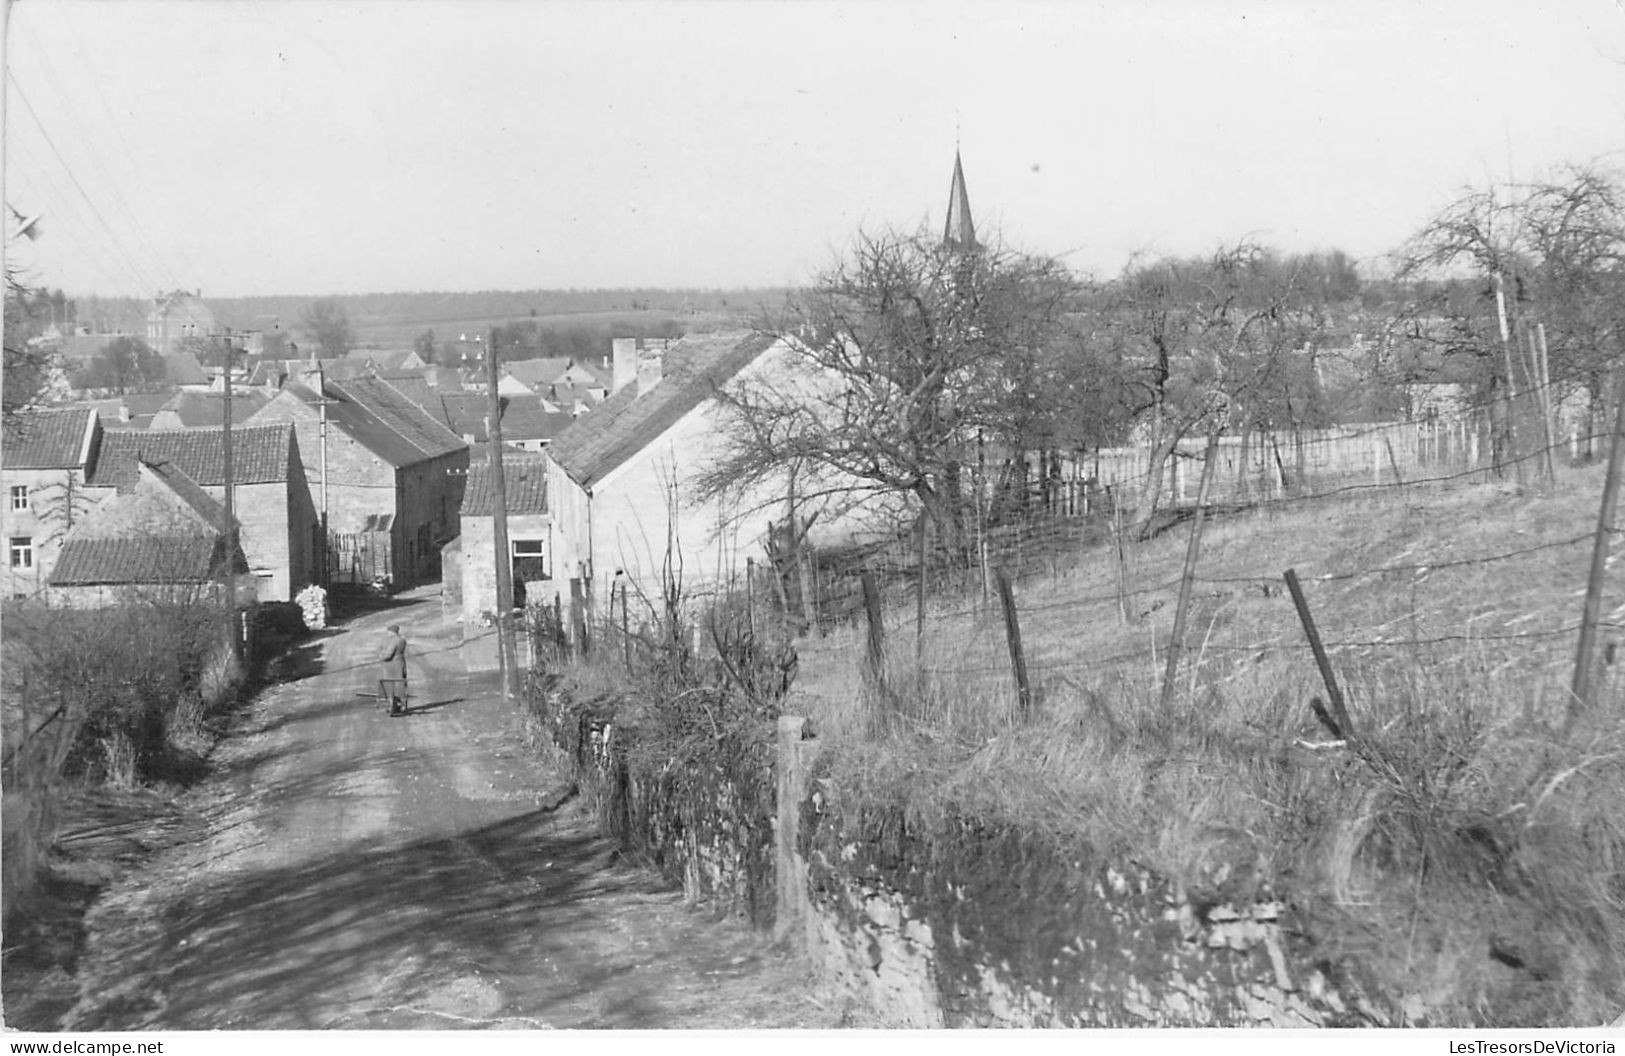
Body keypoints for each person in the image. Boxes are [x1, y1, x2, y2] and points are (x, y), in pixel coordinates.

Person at [380, 624, 408, 715]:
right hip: (401, 664)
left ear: (392, 632)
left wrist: (381, 657)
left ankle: (392, 705)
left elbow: (388, 655)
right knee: (401, 685)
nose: (387, 633)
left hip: (391, 667)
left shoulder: (393, 641)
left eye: (388, 631)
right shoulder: (402, 640)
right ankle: (402, 705)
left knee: (390, 686)